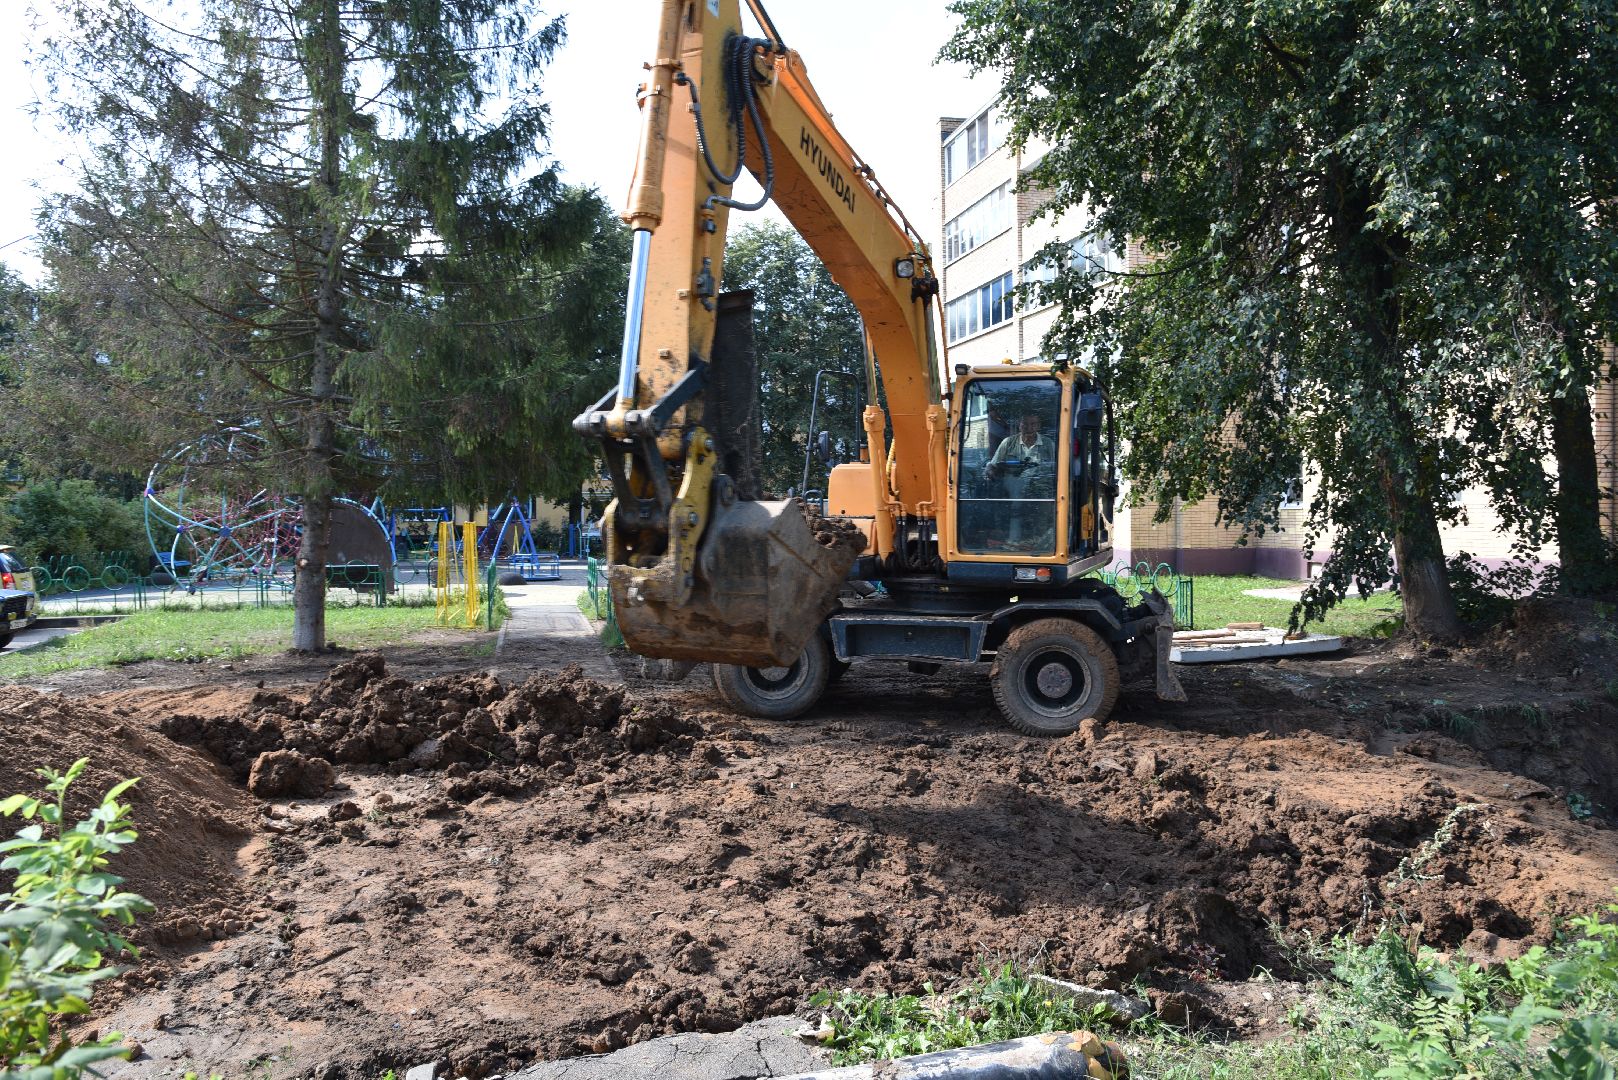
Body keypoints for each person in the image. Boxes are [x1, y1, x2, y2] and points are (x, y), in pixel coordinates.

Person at [985, 412, 1057, 481]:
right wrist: (990, 473)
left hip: (1041, 490)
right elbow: (993, 466)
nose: (1028, 428)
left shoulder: (1048, 444)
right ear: (1019, 425)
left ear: (1038, 426)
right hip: (1012, 490)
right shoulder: (1007, 443)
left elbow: (1058, 468)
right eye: (1025, 424)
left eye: (1033, 424)